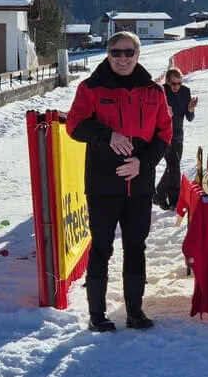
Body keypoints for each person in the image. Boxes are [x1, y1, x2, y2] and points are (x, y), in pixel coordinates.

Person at [65, 31, 173, 332]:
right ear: (108, 54)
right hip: (103, 185)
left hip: (139, 185)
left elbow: (164, 133)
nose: (122, 58)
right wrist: (107, 135)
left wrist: (143, 163)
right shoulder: (91, 88)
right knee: (101, 247)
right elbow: (74, 125)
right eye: (116, 52)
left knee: (136, 246)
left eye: (128, 53)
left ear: (138, 54)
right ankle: (97, 315)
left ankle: (135, 312)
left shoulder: (154, 91)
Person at [153, 67, 198, 210]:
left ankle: (159, 194)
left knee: (173, 167)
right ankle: (173, 200)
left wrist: (190, 109)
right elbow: (152, 114)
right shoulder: (161, 92)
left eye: (179, 83)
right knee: (174, 166)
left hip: (178, 135)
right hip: (163, 135)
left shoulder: (185, 92)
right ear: (167, 82)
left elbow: (189, 117)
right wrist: (165, 114)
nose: (177, 86)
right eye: (174, 84)